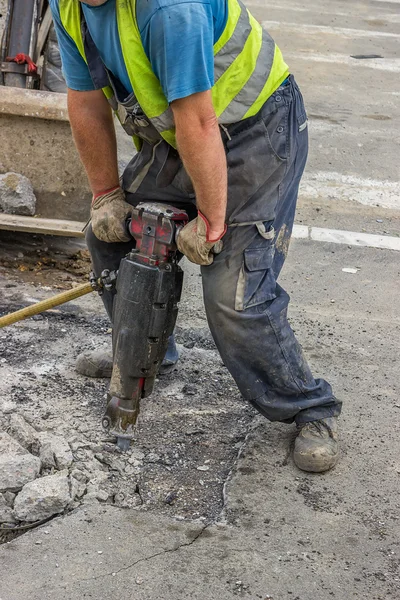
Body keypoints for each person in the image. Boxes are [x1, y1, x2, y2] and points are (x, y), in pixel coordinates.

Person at [50, 0, 342, 472]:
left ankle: (309, 406)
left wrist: (211, 220)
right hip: (179, 134)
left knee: (232, 291)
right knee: (111, 238)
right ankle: (147, 352)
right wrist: (106, 194)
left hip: (255, 132)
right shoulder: (67, 5)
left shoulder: (170, 9)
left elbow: (199, 119)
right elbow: (84, 99)